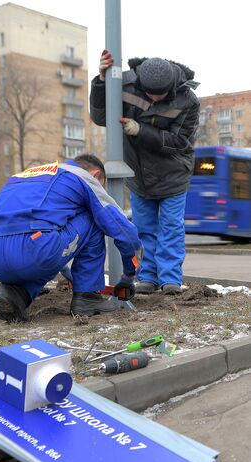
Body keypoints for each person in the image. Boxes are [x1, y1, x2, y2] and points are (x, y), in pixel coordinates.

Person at [0, 154, 142, 322]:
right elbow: (124, 231)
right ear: (95, 175)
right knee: (94, 217)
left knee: (41, 244)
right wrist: (130, 275)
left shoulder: (25, 175)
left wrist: (72, 275)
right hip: (36, 251)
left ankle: (15, 294)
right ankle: (88, 297)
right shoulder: (82, 177)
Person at [90, 51, 200, 295]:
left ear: (170, 86)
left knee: (171, 228)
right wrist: (101, 81)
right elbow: (101, 116)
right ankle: (148, 277)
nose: (153, 97)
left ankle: (170, 278)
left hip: (173, 175)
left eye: (159, 94)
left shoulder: (188, 100)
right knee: (143, 228)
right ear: (141, 83)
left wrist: (140, 130)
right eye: (149, 92)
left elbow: (179, 141)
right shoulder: (126, 83)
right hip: (139, 174)